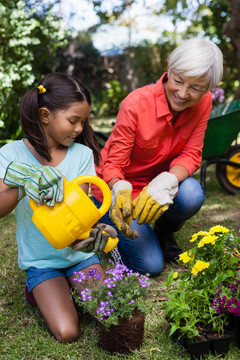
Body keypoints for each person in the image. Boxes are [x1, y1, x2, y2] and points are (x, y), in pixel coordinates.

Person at [0, 72, 117, 342]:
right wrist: (24, 181)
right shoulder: (11, 154)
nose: (78, 129)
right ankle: (40, 288)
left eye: (82, 121)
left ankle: (68, 285)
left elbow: (80, 214)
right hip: (42, 262)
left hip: (78, 258)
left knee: (109, 314)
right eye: (72, 120)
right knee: (67, 332)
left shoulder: (82, 155)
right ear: (45, 115)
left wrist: (94, 235)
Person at [92, 37, 223, 275]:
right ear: (169, 69)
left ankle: (163, 231)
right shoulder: (135, 104)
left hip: (157, 185)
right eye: (179, 81)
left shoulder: (204, 103)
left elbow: (192, 154)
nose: (183, 94)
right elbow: (113, 164)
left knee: (192, 194)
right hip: (118, 190)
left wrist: (168, 181)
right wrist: (118, 188)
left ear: (208, 88)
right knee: (150, 266)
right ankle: (103, 225)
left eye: (195, 88)